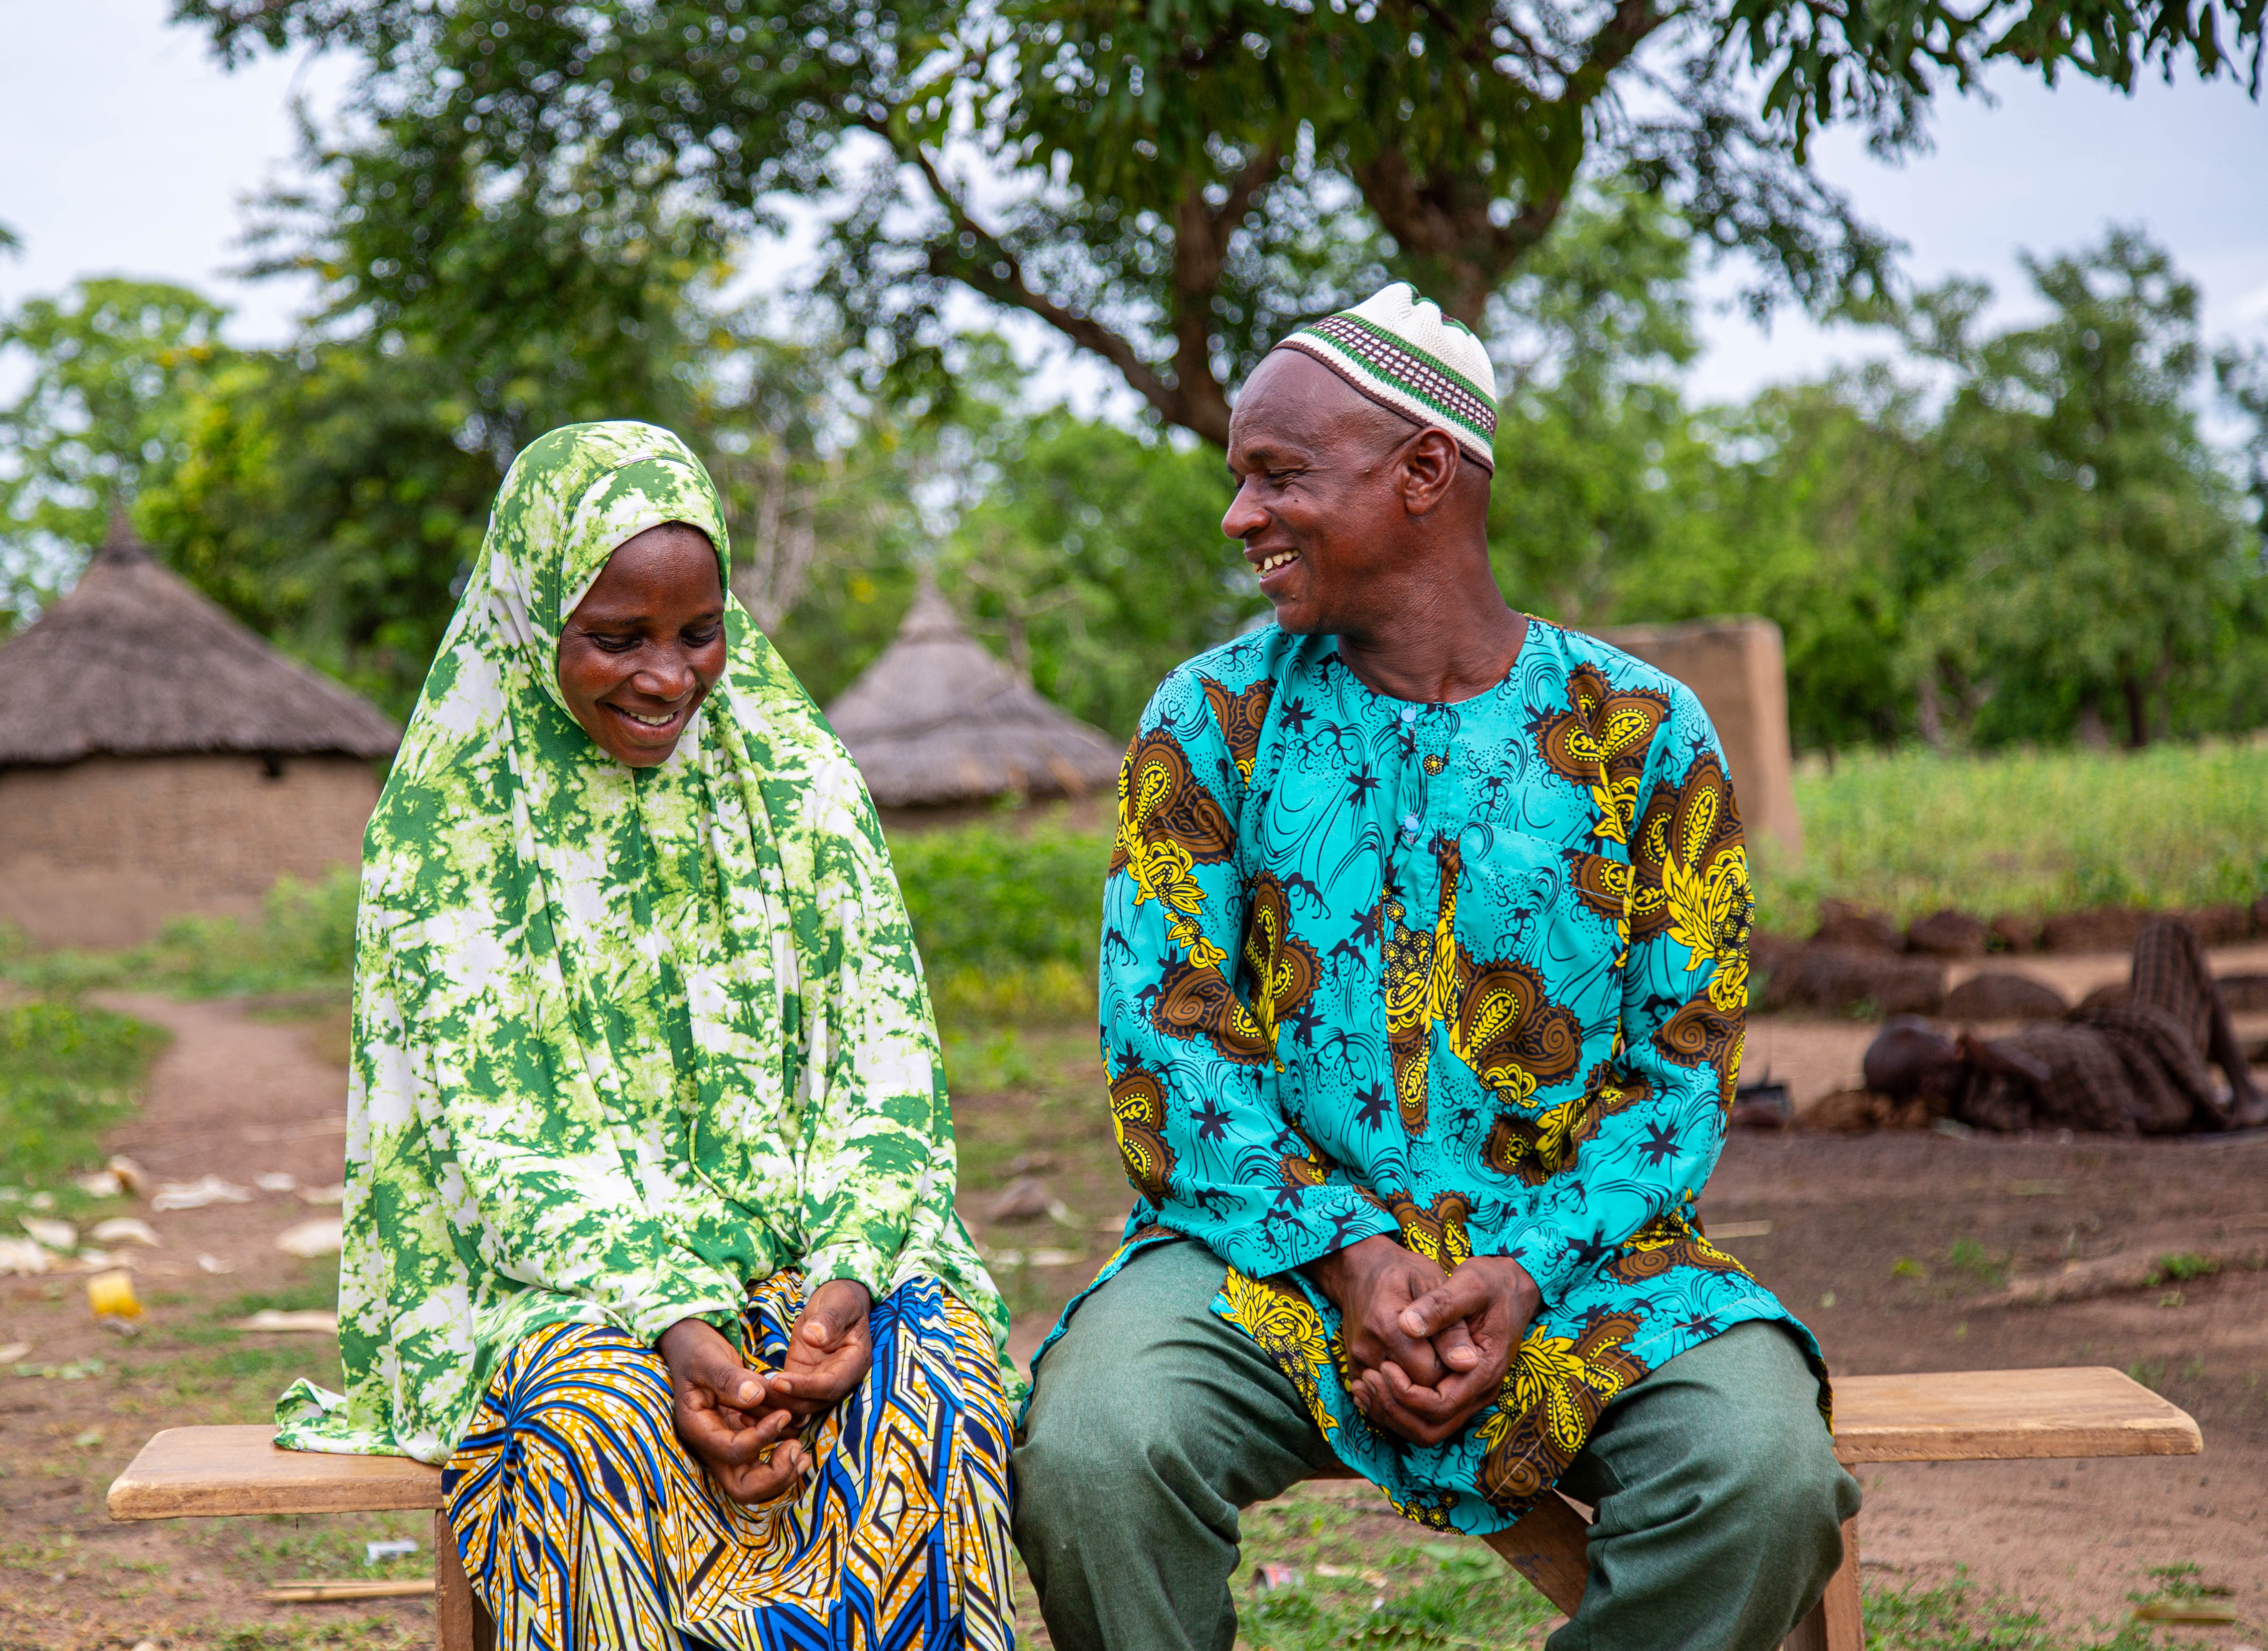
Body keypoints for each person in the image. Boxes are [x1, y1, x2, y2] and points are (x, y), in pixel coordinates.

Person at [1012, 285, 1858, 1651]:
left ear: (1423, 473)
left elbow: (1680, 1079)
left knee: (1756, 1472)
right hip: (1262, 1265)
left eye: (1276, 475)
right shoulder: (1211, 721)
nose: (1238, 516)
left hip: (1581, 1266)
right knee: (1097, 1448)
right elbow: (1166, 1056)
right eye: (1238, 480)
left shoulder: (1637, 733)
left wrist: (1516, 1269)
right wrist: (1354, 1260)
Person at [271, 423, 1017, 1649]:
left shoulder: (798, 784)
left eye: (697, 632)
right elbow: (499, 1137)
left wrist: (839, 1292)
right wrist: (680, 1329)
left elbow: (882, 1073)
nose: (667, 676)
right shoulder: (452, 820)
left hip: (810, 1252)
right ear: (530, 618)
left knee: (926, 1392)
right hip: (555, 1283)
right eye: (615, 637)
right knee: (598, 1429)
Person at [1864, 918, 2265, 1134]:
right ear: (1932, 1083)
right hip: (2158, 1070)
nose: (1949, 1034)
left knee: (2165, 941)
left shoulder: (1978, 1071)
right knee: (2166, 935)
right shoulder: (1984, 1097)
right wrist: (2002, 1060)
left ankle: (2241, 1089)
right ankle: (2244, 1092)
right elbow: (2055, 1111)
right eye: (1936, 1039)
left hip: (2139, 1042)